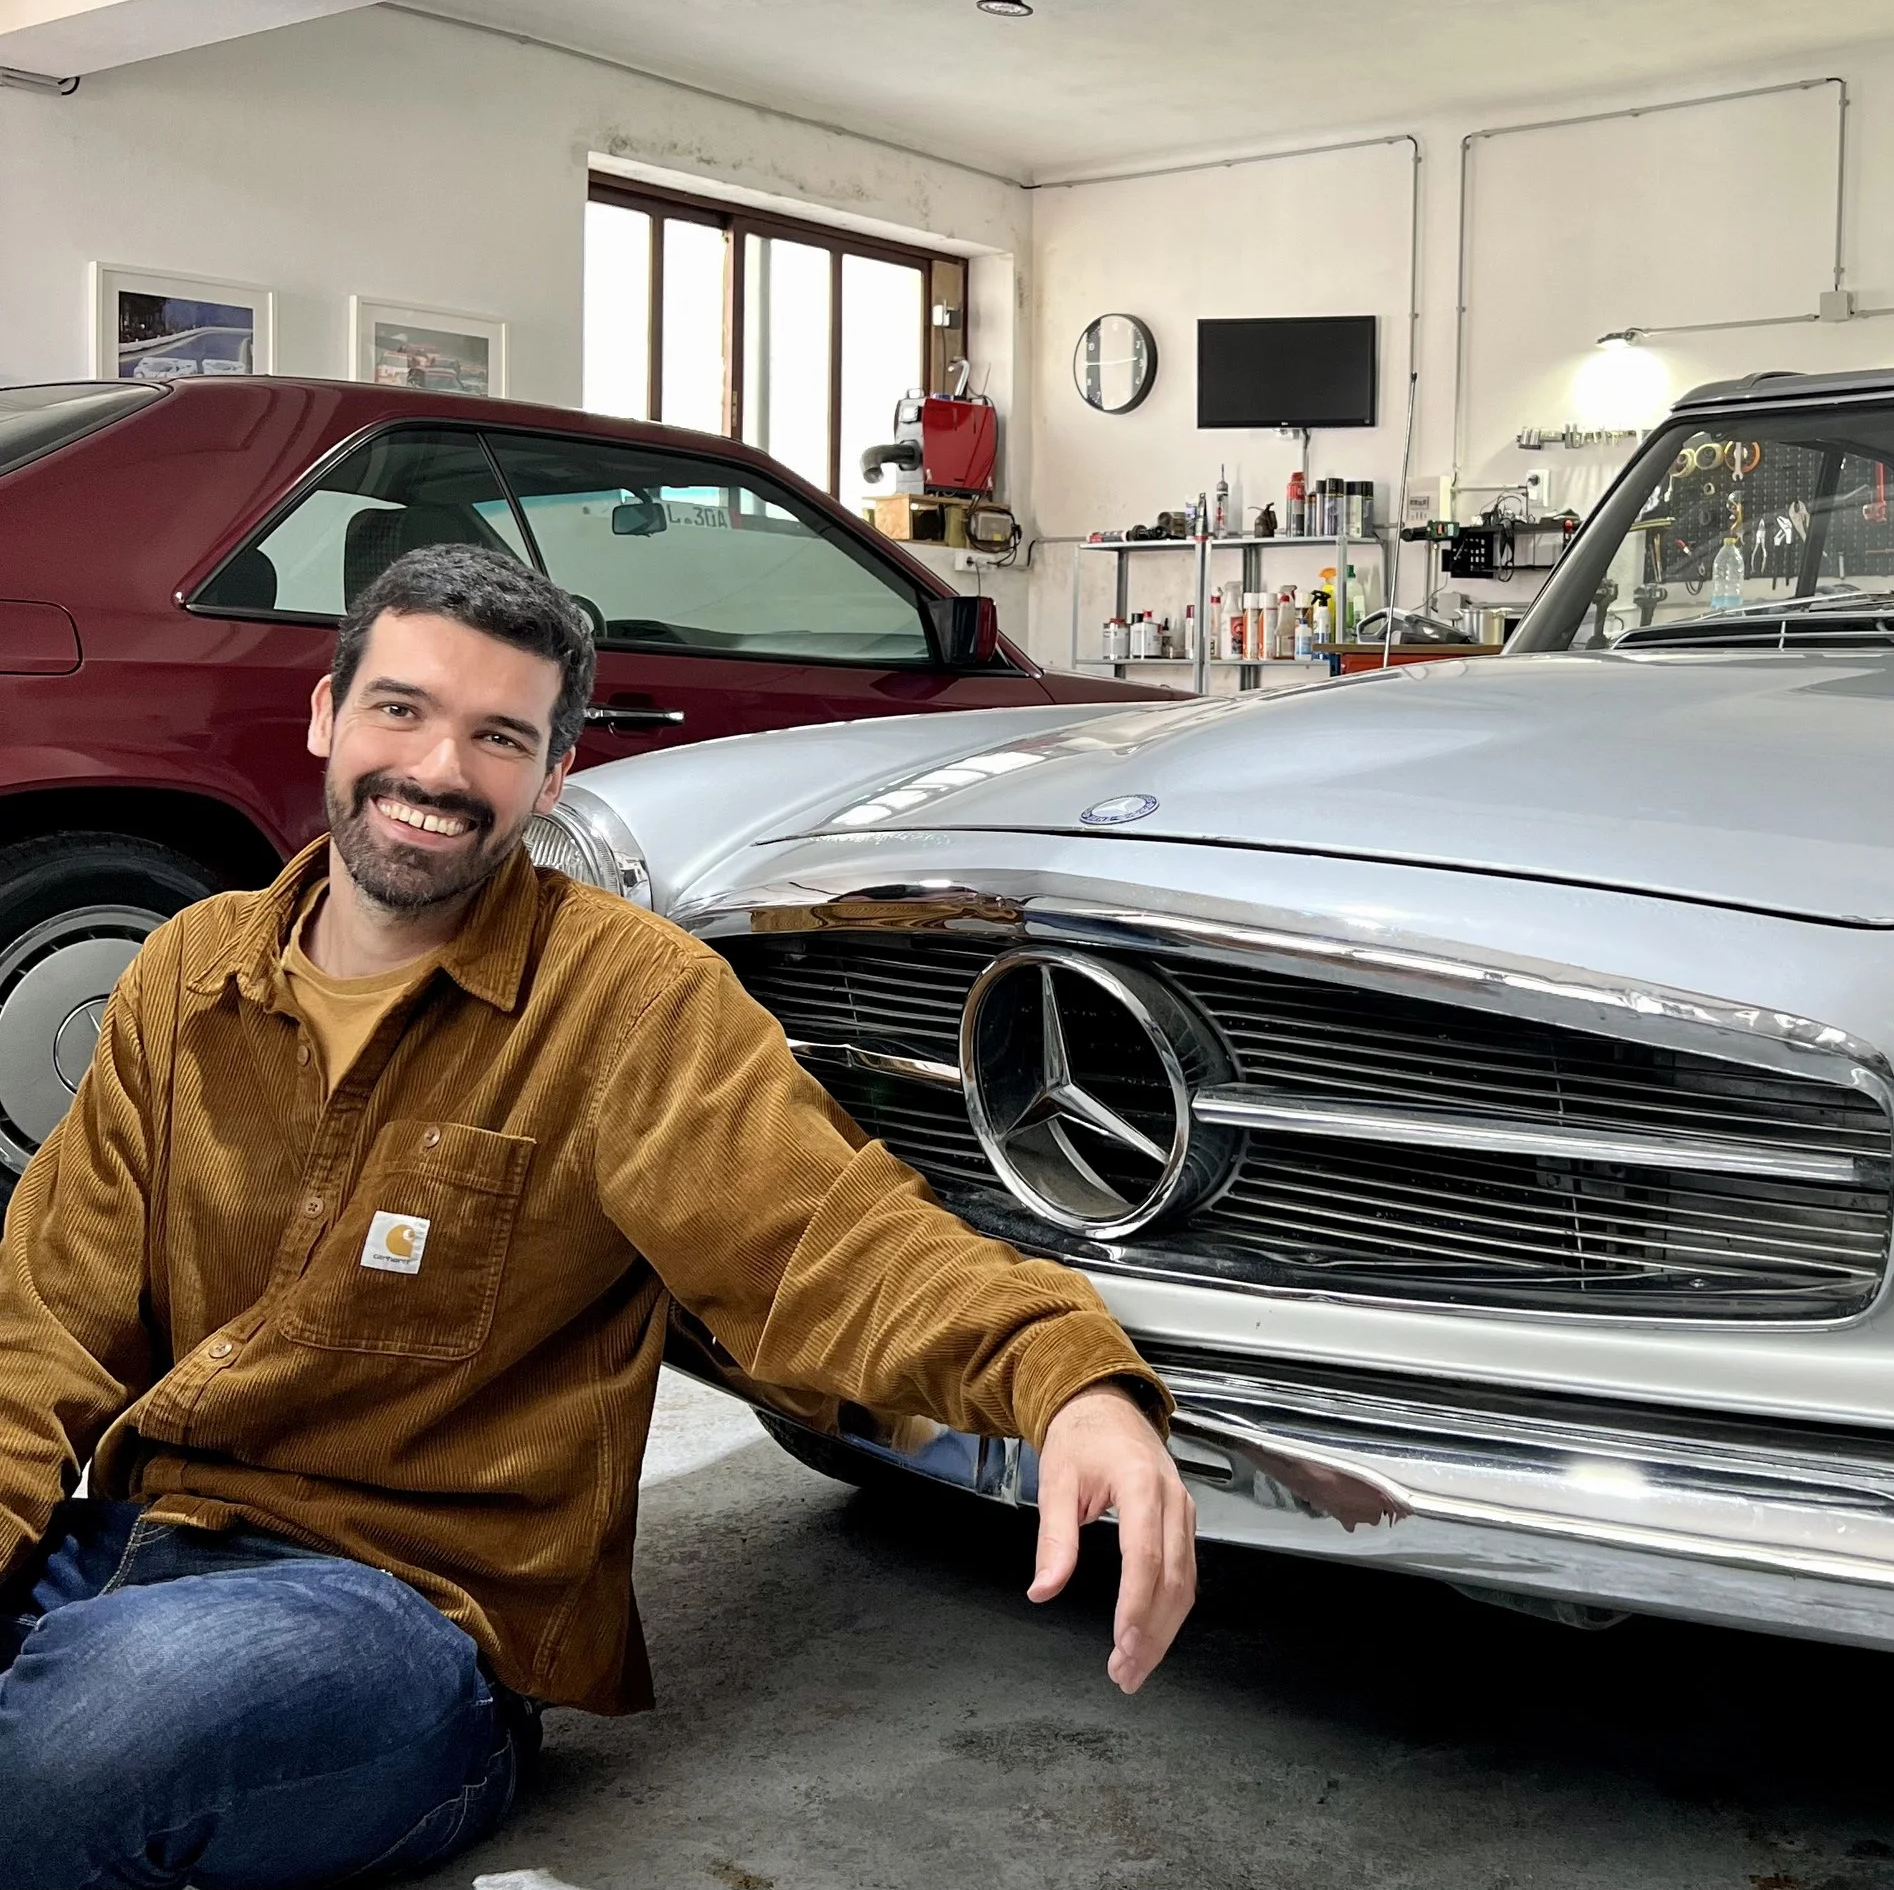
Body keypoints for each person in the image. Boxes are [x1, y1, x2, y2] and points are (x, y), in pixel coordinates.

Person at [0, 544, 1194, 1886]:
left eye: (498, 737)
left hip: (402, 1614)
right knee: (88, 1704)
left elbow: (827, 1240)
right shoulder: (191, 970)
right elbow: (45, 1319)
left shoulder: (624, 1003)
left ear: (554, 774)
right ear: (329, 715)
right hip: (142, 1541)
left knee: (91, 1740)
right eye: (401, 709)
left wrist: (1066, 1381)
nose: (439, 770)